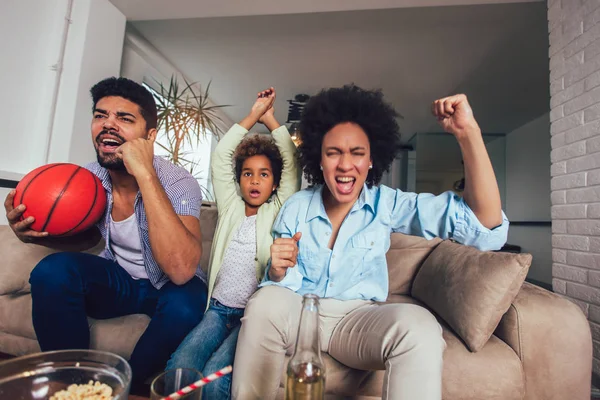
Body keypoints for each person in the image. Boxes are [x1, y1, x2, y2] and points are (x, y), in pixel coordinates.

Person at [231, 85, 509, 400]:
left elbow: (485, 229)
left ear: (371, 160)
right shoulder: (295, 206)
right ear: (319, 160)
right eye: (333, 152)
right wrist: (278, 272)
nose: (345, 165)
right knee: (264, 301)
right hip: (300, 315)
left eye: (357, 153)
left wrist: (467, 134)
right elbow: (280, 287)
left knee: (419, 326)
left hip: (357, 322)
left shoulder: (387, 204)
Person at [3, 77, 208, 387]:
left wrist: (145, 172)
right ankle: (74, 384)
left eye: (124, 118)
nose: (108, 125)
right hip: (118, 281)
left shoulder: (179, 182)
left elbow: (180, 270)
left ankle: (128, 389)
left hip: (166, 287)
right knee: (51, 272)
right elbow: (83, 237)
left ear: (149, 135)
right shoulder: (87, 177)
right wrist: (30, 232)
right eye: (100, 115)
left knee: (186, 300)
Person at [166, 87, 301, 399]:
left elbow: (292, 164)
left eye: (263, 174)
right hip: (216, 309)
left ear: (275, 183)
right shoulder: (230, 206)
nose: (254, 180)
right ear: (238, 180)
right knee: (178, 368)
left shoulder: (278, 210)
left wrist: (271, 122)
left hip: (250, 317)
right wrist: (253, 115)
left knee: (215, 383)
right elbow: (221, 155)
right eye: (247, 174)